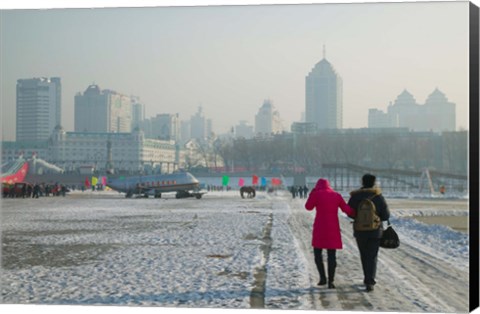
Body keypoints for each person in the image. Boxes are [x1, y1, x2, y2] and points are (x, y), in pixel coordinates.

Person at [305, 178, 355, 288]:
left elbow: (308, 207)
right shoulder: (336, 195)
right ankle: (331, 281)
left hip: (319, 228)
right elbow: (347, 209)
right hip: (333, 228)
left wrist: (312, 194)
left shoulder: (316, 194)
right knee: (331, 255)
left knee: (318, 254)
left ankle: (322, 278)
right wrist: (357, 213)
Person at [348, 173, 390, 292]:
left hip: (360, 231)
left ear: (362, 182)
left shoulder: (355, 196)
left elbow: (349, 212)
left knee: (364, 254)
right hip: (375, 231)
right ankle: (370, 280)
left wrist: (359, 217)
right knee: (372, 256)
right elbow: (386, 215)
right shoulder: (378, 196)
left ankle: (366, 277)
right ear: (374, 183)